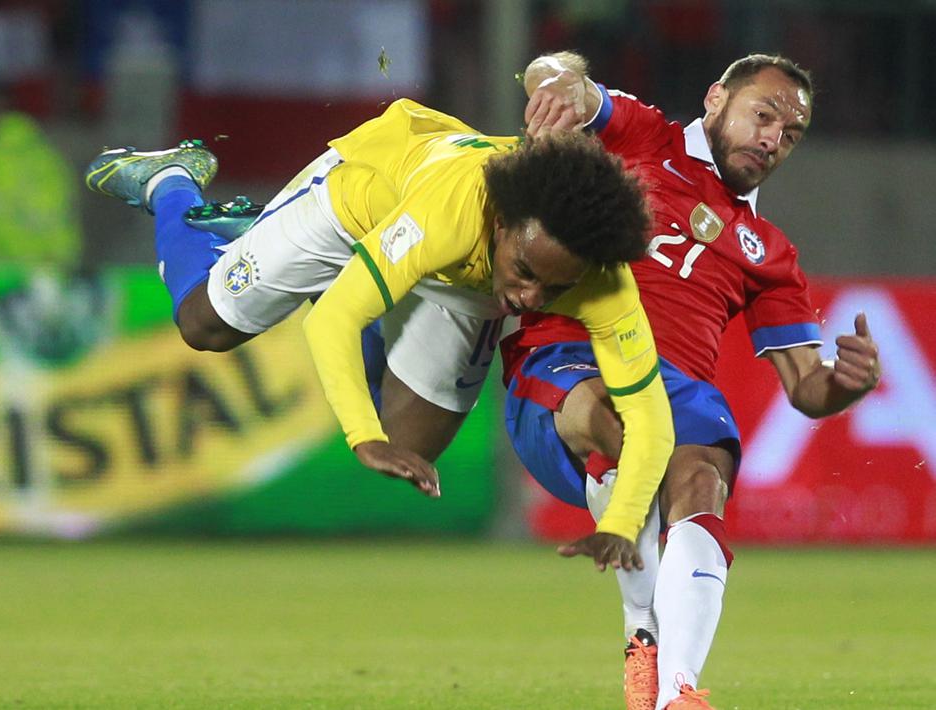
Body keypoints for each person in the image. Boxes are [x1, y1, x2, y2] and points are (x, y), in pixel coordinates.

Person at [85, 98, 675, 561]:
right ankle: (171, 182)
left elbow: (649, 416)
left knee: (412, 448)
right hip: (358, 207)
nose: (530, 299)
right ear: (503, 221)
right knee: (203, 325)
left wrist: (620, 527)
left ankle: (326, 270)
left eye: (554, 289)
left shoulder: (601, 277)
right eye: (526, 274)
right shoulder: (451, 211)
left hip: (462, 281)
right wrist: (361, 435)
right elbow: (338, 320)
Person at [505, 52, 882, 709]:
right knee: (622, 421)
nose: (772, 138)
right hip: (565, 364)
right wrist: (554, 81)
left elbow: (806, 388)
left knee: (702, 473)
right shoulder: (642, 135)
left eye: (789, 134)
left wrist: (846, 384)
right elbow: (563, 77)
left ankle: (676, 690)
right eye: (763, 115)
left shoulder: (768, 252)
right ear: (714, 99)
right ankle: (640, 629)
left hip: (673, 390)